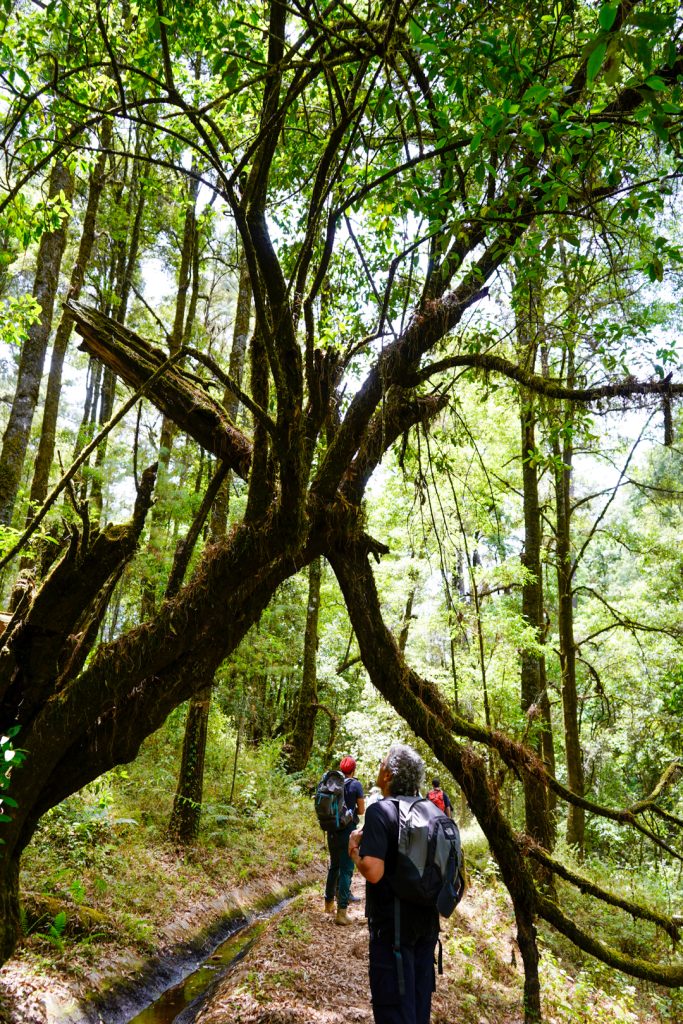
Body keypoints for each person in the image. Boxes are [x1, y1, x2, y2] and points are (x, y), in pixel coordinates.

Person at [349, 744, 439, 1024]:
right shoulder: (431, 812)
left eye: (382, 762)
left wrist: (353, 851)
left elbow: (373, 872)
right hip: (428, 925)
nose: (379, 765)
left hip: (392, 929)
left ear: (389, 775)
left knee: (393, 1009)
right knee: (418, 1003)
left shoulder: (380, 811)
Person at [324, 755, 365, 925]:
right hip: (347, 831)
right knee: (347, 869)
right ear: (353, 770)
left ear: (341, 769)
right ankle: (341, 913)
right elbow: (361, 810)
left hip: (332, 830)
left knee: (334, 866)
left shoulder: (332, 783)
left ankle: (328, 904)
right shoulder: (356, 785)